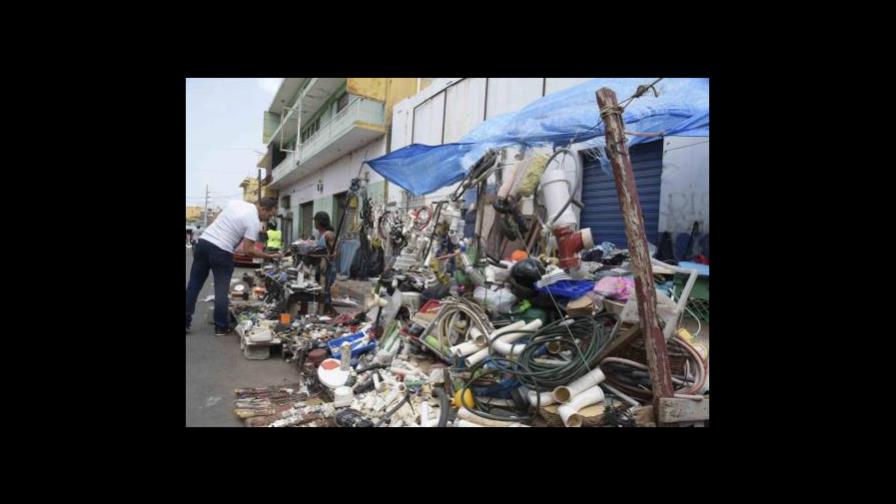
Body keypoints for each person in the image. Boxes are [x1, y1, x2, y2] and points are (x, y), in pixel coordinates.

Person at [185, 197, 282, 336]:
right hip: (222, 251)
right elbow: (248, 250)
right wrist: (270, 256)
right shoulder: (253, 221)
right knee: (221, 290)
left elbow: (217, 220)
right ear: (262, 209)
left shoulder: (236, 203)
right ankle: (221, 327)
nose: (268, 218)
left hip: (204, 242)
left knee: (194, 284)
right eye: (269, 215)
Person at [312, 211, 339, 317]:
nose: (314, 223)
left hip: (328, 268)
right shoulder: (321, 234)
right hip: (322, 268)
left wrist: (330, 256)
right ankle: (323, 312)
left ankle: (328, 313)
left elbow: (335, 251)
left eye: (315, 220)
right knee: (322, 291)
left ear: (319, 222)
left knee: (326, 291)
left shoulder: (328, 234)